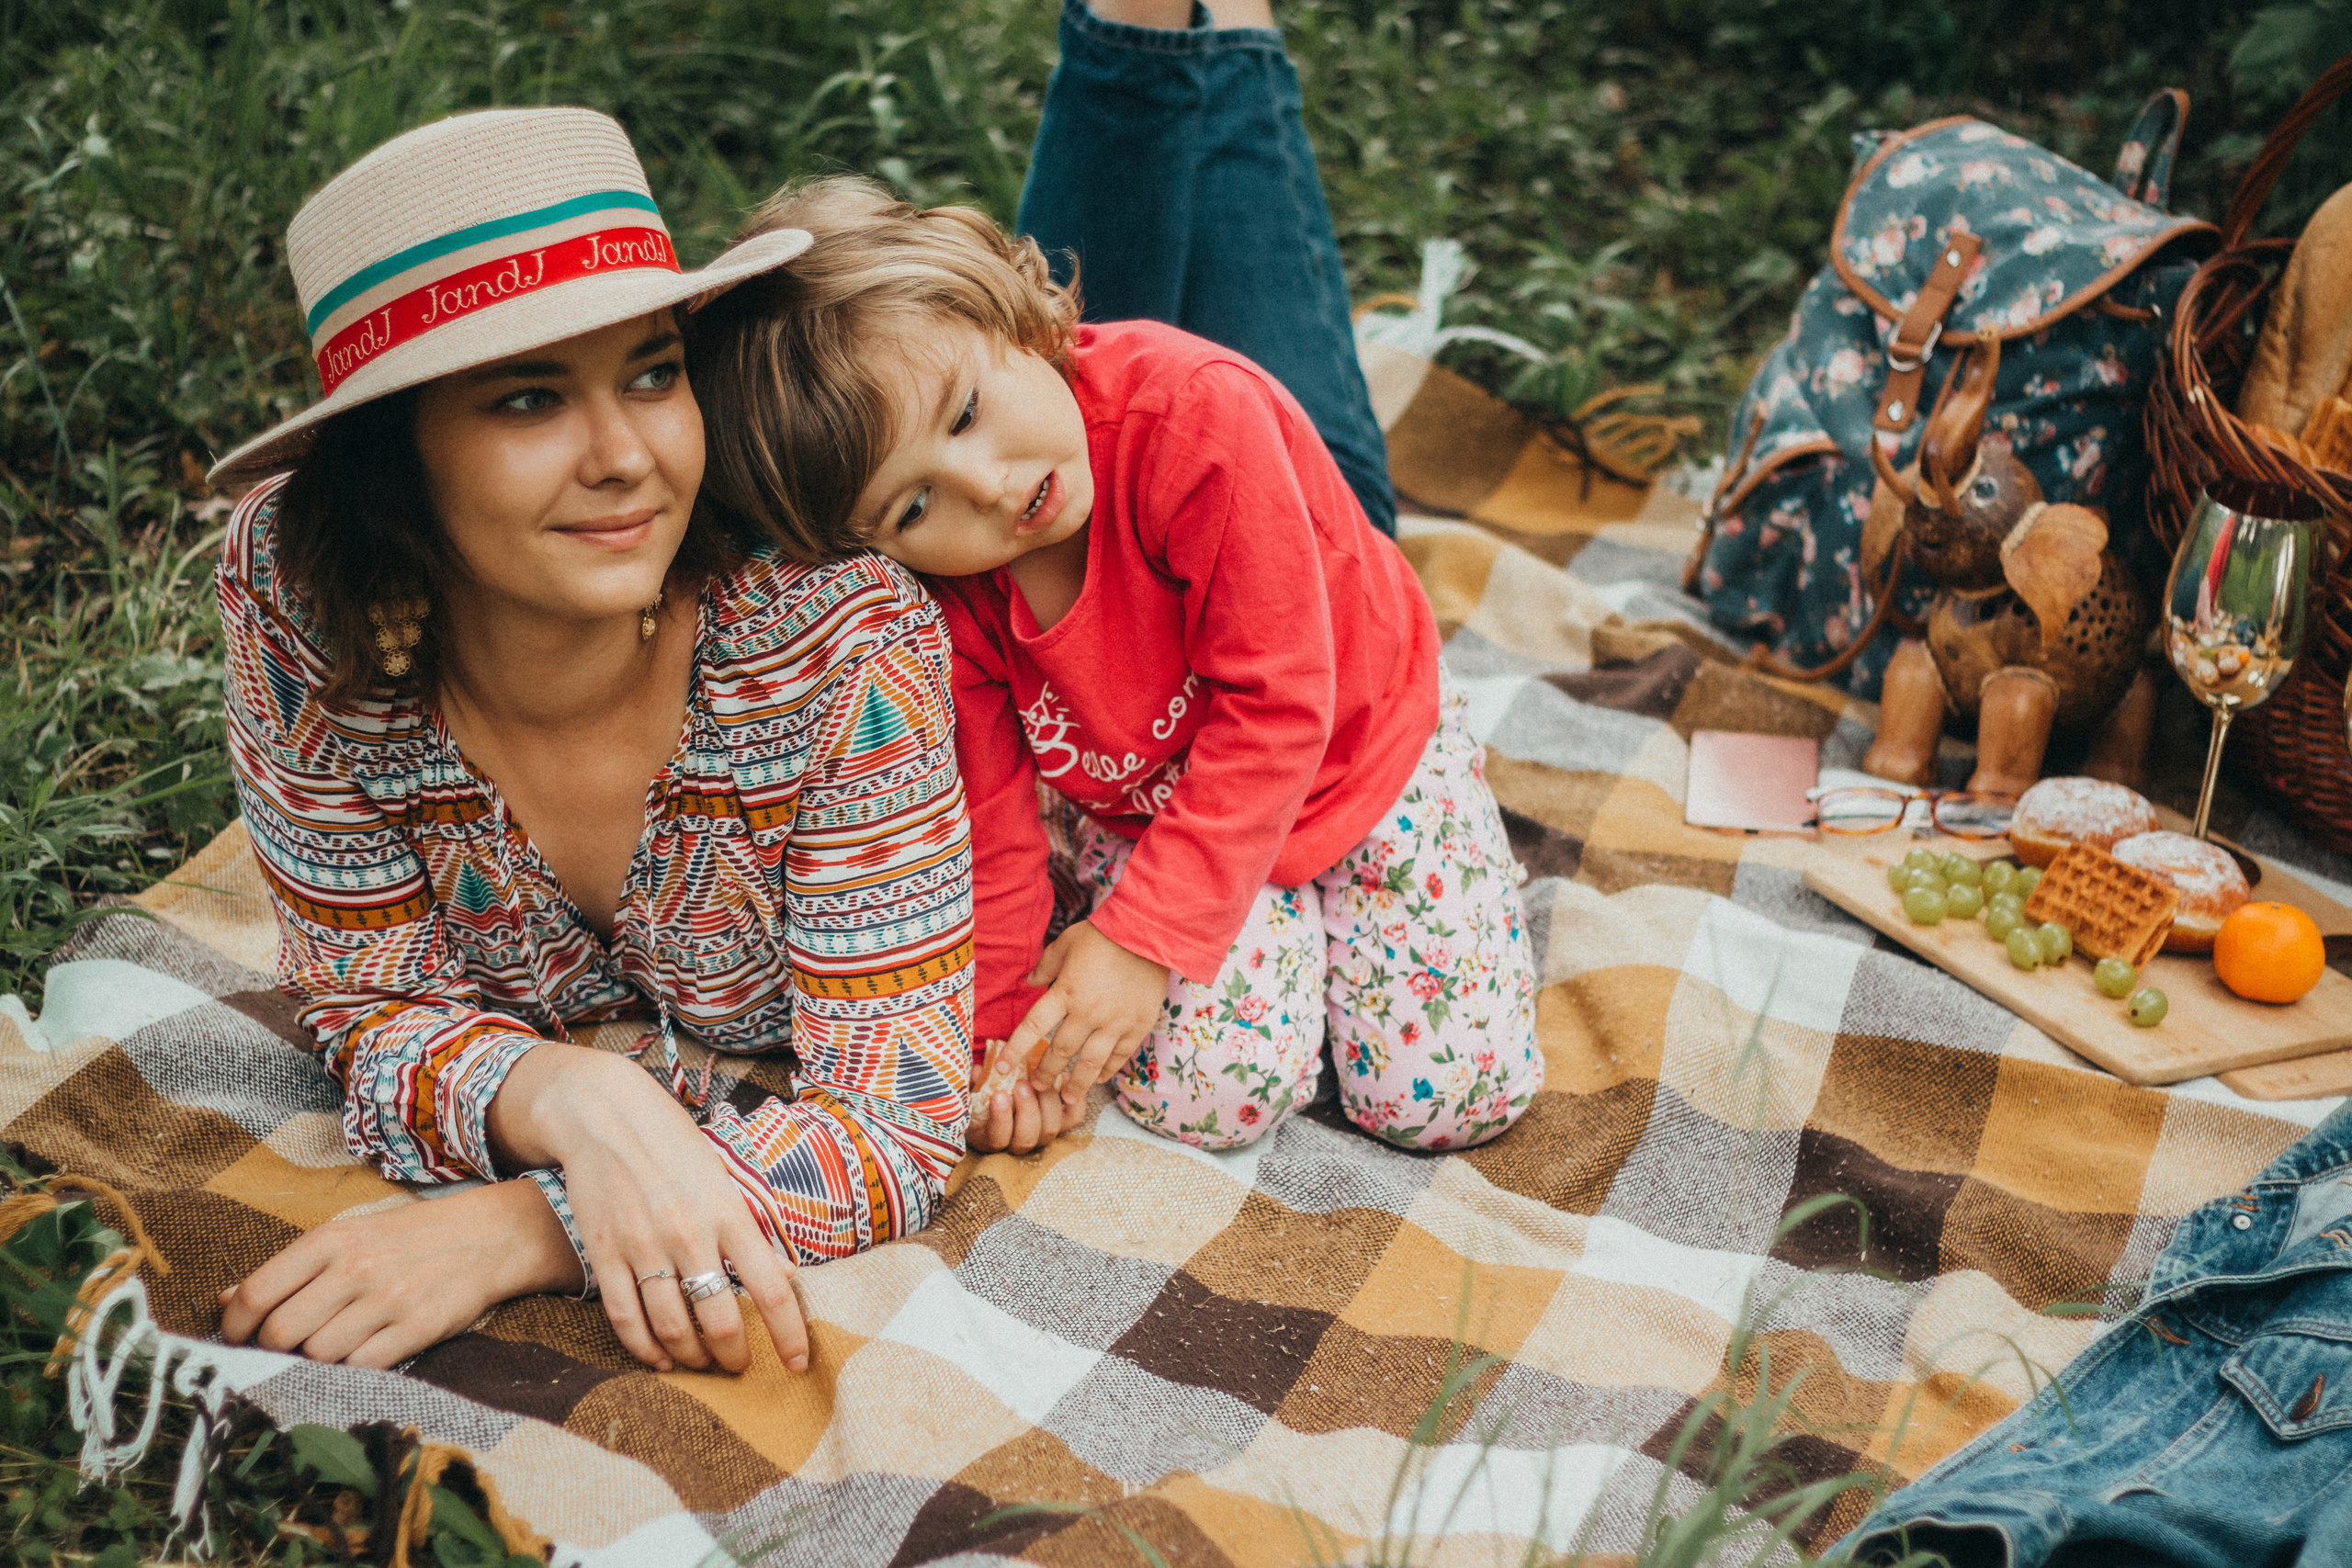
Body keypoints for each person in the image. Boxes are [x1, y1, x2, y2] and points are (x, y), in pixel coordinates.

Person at [688, 0, 1544, 1158]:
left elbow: (1280, 703)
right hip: (1173, 795)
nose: (985, 487)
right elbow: (985, 824)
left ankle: (1200, 28)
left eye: (970, 413)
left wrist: (1141, 940)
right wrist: (1002, 1041)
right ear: (870, 544)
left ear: (1009, 318)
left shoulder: (1194, 418)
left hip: (1350, 729)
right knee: (1203, 1099)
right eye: (913, 504)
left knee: (1446, 1100)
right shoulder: (949, 598)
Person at [207, 107, 974, 1374]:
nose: (626, 457)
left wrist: (531, 1222)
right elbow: (369, 999)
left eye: (655, 370)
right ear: (392, 462)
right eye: (527, 398)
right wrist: (571, 1094)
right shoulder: (294, 596)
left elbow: (897, 1118)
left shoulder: (836, 635)